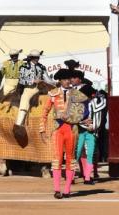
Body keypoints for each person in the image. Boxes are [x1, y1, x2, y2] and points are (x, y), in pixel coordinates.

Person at [40, 69, 79, 199]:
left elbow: (82, 112)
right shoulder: (53, 94)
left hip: (72, 130)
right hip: (58, 130)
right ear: (60, 81)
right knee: (57, 159)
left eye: (70, 79)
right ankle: (57, 190)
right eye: (66, 79)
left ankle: (67, 190)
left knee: (70, 160)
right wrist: (42, 129)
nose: (69, 81)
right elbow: (44, 112)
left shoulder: (76, 94)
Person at [15, 49, 46, 127]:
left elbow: (47, 78)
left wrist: (55, 83)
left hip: (40, 89)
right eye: (35, 57)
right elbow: (21, 80)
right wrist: (33, 81)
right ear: (31, 58)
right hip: (28, 89)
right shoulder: (24, 67)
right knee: (24, 103)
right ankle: (18, 124)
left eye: (38, 58)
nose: (37, 59)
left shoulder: (41, 66)